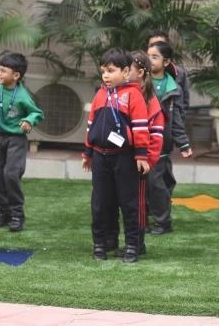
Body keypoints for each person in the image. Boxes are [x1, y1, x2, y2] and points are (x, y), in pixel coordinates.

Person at [82, 49, 152, 263]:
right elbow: (91, 124)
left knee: (129, 203)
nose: (106, 75)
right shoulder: (100, 94)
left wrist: (141, 155)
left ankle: (132, 246)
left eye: (111, 71)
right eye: (103, 71)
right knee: (100, 203)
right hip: (100, 157)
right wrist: (87, 152)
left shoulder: (133, 95)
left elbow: (140, 127)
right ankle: (100, 244)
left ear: (125, 72)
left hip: (124, 157)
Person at [0, 51, 43, 232]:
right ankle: (4, 213)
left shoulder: (23, 96)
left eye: (3, 71)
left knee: (11, 174)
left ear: (16, 75)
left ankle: (17, 214)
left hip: (16, 139)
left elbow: (37, 113)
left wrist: (28, 121)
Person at [145, 41, 191, 236]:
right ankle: (142, 220)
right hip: (140, 140)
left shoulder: (172, 87)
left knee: (156, 183)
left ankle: (163, 221)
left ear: (166, 62)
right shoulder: (140, 82)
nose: (150, 60)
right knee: (142, 183)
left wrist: (183, 143)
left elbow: (177, 117)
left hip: (161, 143)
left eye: (155, 57)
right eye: (148, 56)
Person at [146, 31, 192, 112]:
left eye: (160, 44)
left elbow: (183, 104)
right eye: (152, 45)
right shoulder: (140, 73)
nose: (155, 47)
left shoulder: (179, 73)